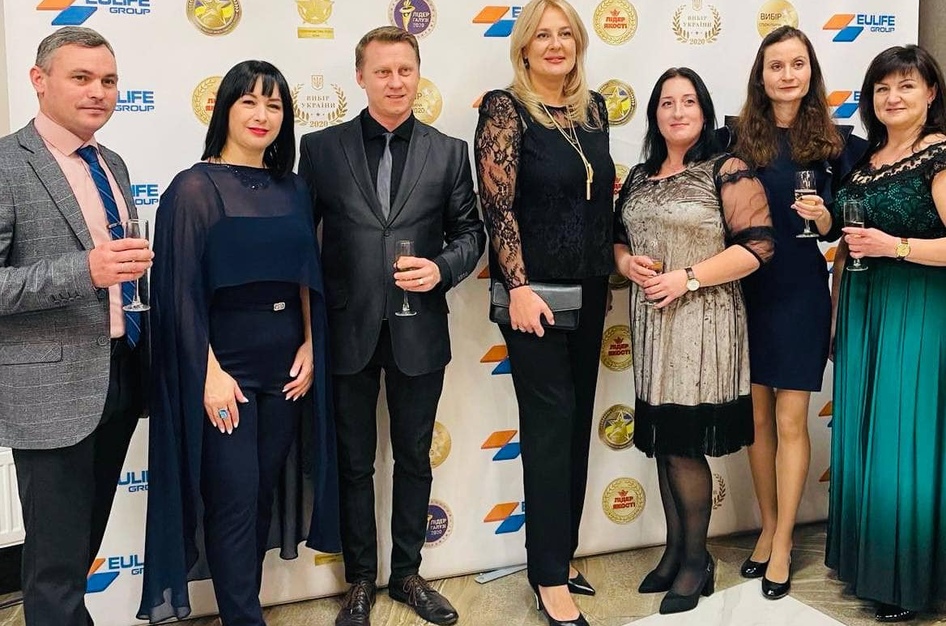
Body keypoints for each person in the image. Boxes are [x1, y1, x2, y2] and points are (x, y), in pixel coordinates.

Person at [137, 60, 340, 625]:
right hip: (223, 368)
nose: (261, 115)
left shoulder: (295, 188)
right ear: (224, 109)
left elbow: (305, 275)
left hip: (286, 366)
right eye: (249, 101)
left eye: (274, 105)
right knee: (232, 500)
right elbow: (177, 292)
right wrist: (209, 374)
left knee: (261, 497)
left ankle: (242, 610)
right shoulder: (193, 188)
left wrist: (310, 344)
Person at [298, 26, 484, 626]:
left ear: (418, 72)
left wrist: (441, 269)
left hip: (418, 329)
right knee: (353, 463)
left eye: (405, 70)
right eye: (382, 71)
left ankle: (406, 574)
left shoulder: (449, 151)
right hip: (344, 331)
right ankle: (359, 580)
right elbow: (301, 240)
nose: (396, 82)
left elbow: (471, 233)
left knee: (413, 459)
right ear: (361, 77)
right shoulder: (320, 149)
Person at [0, 27, 152, 626]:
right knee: (54, 569)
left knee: (80, 552)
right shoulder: (7, 164)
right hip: (49, 395)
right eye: (81, 78)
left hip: (118, 376)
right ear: (39, 81)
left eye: (108, 80)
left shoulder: (111, 162)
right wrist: (83, 270)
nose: (98, 92)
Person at [613, 67, 774, 615]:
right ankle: (675, 550)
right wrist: (627, 264)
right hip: (652, 324)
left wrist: (688, 278)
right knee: (665, 441)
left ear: (704, 111)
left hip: (704, 321)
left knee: (684, 444)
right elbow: (617, 240)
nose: (677, 111)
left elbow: (758, 248)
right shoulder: (640, 175)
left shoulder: (726, 168)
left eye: (688, 101)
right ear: (654, 114)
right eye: (666, 102)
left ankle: (696, 561)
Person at [474, 1, 614, 624]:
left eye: (565, 35)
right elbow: (498, 206)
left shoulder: (594, 110)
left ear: (578, 44)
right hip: (533, 298)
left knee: (577, 424)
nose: (555, 45)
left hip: (591, 288)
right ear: (524, 48)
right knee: (549, 429)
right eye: (542, 36)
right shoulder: (505, 110)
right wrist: (519, 284)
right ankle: (548, 577)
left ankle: (562, 551)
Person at [724, 25, 866, 599]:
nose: (787, 75)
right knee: (756, 421)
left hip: (802, 292)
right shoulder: (735, 139)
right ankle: (766, 526)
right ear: (761, 76)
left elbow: (848, 225)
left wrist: (827, 219)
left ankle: (784, 541)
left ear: (812, 72)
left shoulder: (837, 143)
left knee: (790, 421)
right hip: (744, 290)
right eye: (776, 65)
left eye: (798, 64)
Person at [828, 44, 946, 624]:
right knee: (866, 432)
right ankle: (869, 564)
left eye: (906, 86)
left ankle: (906, 579)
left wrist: (895, 246)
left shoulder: (939, 155)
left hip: (917, 307)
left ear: (931, 93)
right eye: (882, 88)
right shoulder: (869, 156)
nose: (892, 97)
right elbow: (847, 238)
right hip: (863, 305)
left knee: (904, 435)